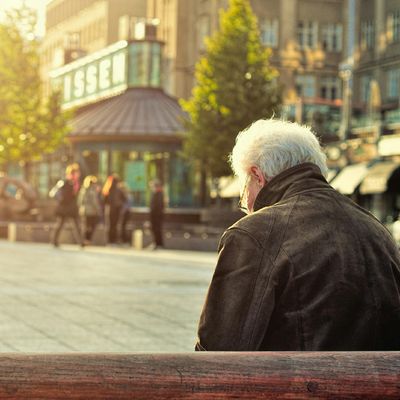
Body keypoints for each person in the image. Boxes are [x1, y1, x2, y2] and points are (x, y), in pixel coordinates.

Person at [196, 119, 400, 351]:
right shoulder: (376, 229)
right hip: (379, 386)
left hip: (295, 386)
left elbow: (218, 351)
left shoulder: (254, 234)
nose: (245, 204)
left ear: (257, 176)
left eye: (243, 191)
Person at [50, 163, 84, 248]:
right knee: (60, 224)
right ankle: (54, 241)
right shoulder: (64, 182)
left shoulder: (76, 183)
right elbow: (55, 193)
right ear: (72, 173)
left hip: (72, 207)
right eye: (76, 172)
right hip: (64, 207)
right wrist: (62, 200)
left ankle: (81, 242)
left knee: (77, 225)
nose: (78, 174)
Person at [78, 175, 102, 245]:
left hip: (83, 210)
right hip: (92, 211)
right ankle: (87, 240)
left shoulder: (83, 190)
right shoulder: (92, 190)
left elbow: (79, 201)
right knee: (91, 226)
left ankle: (84, 239)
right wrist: (98, 209)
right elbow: (95, 202)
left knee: (86, 226)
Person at [102, 174, 126, 244]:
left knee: (110, 225)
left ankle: (110, 239)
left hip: (110, 209)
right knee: (115, 224)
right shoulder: (118, 190)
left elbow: (104, 201)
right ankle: (113, 239)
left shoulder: (107, 189)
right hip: (116, 209)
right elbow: (124, 198)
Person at [149, 179, 165, 249]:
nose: (152, 188)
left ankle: (158, 243)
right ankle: (157, 243)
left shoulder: (159, 194)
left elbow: (158, 206)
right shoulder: (156, 194)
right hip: (155, 214)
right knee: (155, 229)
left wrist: (155, 213)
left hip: (157, 215)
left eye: (153, 186)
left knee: (157, 229)